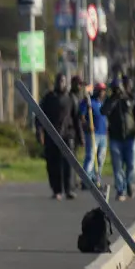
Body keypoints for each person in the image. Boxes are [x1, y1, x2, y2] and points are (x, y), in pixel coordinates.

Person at [37, 73, 80, 201]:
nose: (61, 83)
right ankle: (57, 190)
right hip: (52, 135)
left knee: (69, 164)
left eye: (63, 81)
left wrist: (80, 136)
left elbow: (76, 118)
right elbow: (39, 116)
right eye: (59, 81)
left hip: (68, 135)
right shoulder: (49, 98)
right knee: (53, 164)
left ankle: (69, 189)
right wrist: (39, 132)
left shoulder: (71, 98)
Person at [103, 77, 135, 201]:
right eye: (115, 89)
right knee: (117, 167)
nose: (117, 91)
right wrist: (113, 99)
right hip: (116, 139)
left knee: (132, 165)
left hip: (131, 137)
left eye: (119, 88)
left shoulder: (130, 99)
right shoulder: (110, 101)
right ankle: (121, 190)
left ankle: (129, 183)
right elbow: (104, 111)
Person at [79, 83, 109, 191]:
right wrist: (87, 125)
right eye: (100, 90)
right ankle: (85, 180)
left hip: (103, 135)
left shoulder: (104, 103)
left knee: (100, 159)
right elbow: (81, 116)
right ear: (96, 90)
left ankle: (96, 179)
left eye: (103, 90)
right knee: (91, 157)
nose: (102, 92)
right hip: (92, 134)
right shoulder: (88, 101)